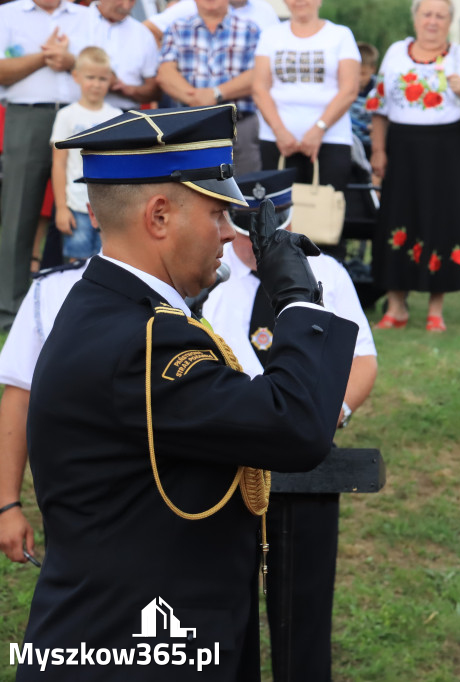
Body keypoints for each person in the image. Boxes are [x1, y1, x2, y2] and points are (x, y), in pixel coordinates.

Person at [17, 105, 358, 681]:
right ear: (158, 216)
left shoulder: (114, 310)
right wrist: (298, 298)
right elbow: (295, 426)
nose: (230, 233)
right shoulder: (144, 339)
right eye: (218, 214)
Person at [203, 169, 378, 680]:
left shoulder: (325, 275)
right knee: (224, 617)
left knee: (303, 615)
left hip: (304, 461)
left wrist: (328, 417)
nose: (259, 243)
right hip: (228, 464)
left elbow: (362, 362)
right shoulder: (206, 274)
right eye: (250, 232)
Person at [368, 0, 460, 332]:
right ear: (415, 18)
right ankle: (396, 307)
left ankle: (436, 310)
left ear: (450, 21)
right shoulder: (396, 51)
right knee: (397, 217)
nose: (432, 21)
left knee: (442, 222)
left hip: (446, 149)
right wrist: (378, 149)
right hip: (401, 147)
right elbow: (378, 105)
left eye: (440, 15)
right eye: (426, 14)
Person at [0, 0, 88, 330]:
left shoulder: (84, 15)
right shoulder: (6, 14)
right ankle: (10, 312)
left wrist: (70, 62)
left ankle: (83, 307)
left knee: (88, 207)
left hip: (81, 115)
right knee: (19, 211)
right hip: (27, 115)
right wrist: (44, 57)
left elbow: (102, 63)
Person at [0, 260, 88, 566]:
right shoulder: (52, 289)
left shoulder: (198, 280)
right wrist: (7, 505)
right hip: (81, 508)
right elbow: (20, 396)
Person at [251, 0, 360, 195]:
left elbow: (349, 89)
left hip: (331, 140)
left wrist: (319, 129)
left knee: (324, 216)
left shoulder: (340, 35)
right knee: (278, 212)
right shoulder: (270, 35)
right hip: (277, 141)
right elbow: (259, 88)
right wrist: (280, 132)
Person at [156, 0, 262, 173]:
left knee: (245, 192)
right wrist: (195, 98)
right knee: (194, 192)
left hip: (238, 127)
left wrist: (216, 93)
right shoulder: (177, 28)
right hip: (190, 126)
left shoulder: (251, 29)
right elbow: (165, 73)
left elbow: (258, 75)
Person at [50, 47, 122, 262]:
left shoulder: (116, 116)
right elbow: (58, 165)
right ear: (76, 77)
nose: (96, 84)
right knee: (76, 265)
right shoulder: (66, 116)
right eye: (90, 77)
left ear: (110, 80)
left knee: (107, 262)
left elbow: (119, 164)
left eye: (102, 78)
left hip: (108, 210)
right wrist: (61, 208)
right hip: (76, 206)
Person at [83, 0, 161, 111]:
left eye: (132, 0)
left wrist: (127, 89)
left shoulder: (142, 33)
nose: (126, 6)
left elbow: (155, 92)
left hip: (125, 114)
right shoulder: (75, 21)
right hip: (79, 112)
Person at [144, 0, 280, 45]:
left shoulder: (264, 8)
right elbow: (147, 29)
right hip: (198, 98)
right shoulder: (197, 5)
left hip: (252, 98)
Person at [351, 41, 379, 159]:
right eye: (355, 73)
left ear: (372, 69)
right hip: (351, 142)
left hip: (371, 144)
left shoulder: (379, 88)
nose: (359, 78)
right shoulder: (344, 87)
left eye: (363, 73)